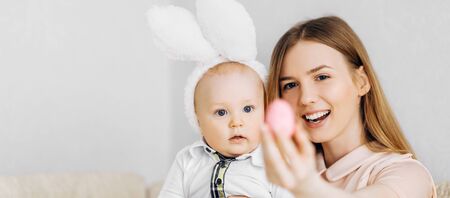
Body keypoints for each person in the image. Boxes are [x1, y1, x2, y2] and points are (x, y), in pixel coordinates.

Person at [260, 16, 437, 198]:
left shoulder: (408, 175)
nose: (305, 98)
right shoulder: (276, 174)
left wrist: (308, 188)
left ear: (361, 82)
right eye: (290, 85)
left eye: (322, 77)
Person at [147, 0, 292, 197]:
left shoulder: (275, 162)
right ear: (198, 119)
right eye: (221, 112)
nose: (236, 122)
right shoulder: (188, 160)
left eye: (248, 109)